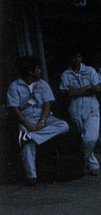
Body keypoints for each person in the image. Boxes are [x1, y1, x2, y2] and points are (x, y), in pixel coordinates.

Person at [6, 56, 70, 186]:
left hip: (44, 116)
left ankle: (30, 136)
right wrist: (27, 124)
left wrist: (42, 121)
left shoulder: (42, 84)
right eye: (38, 68)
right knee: (27, 145)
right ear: (30, 71)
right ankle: (32, 176)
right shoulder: (15, 86)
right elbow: (15, 108)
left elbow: (47, 104)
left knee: (64, 125)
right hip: (26, 118)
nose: (40, 70)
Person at [60, 49, 101, 175]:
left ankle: (82, 161)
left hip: (91, 106)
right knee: (82, 137)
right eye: (74, 56)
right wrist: (87, 87)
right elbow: (69, 93)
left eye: (79, 56)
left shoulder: (89, 70)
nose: (77, 59)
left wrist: (78, 91)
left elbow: (97, 88)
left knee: (90, 138)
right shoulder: (65, 75)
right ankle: (92, 164)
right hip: (76, 107)